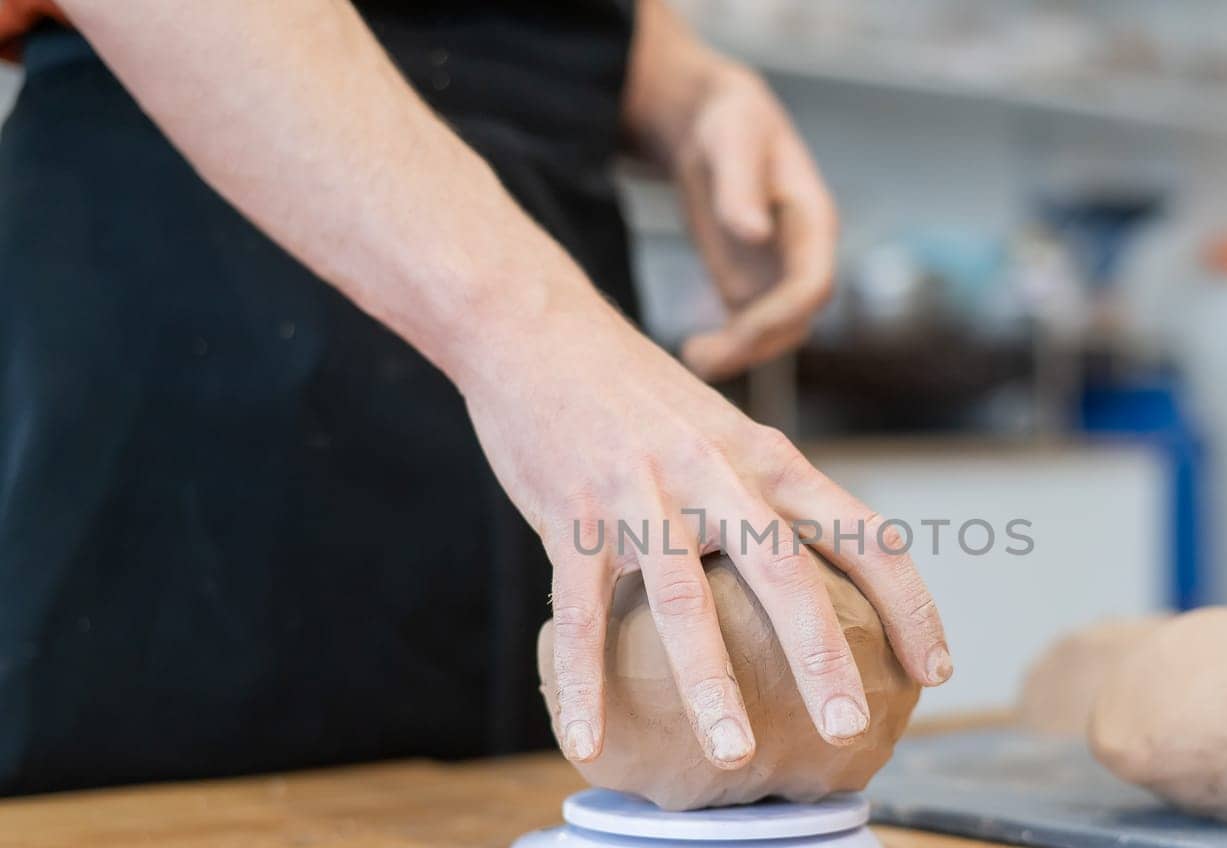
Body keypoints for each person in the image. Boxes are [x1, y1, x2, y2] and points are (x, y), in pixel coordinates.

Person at [0, 0, 952, 796]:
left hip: (547, 361)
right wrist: (526, 323)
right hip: (208, 301)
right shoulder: (524, 324)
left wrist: (685, 90)